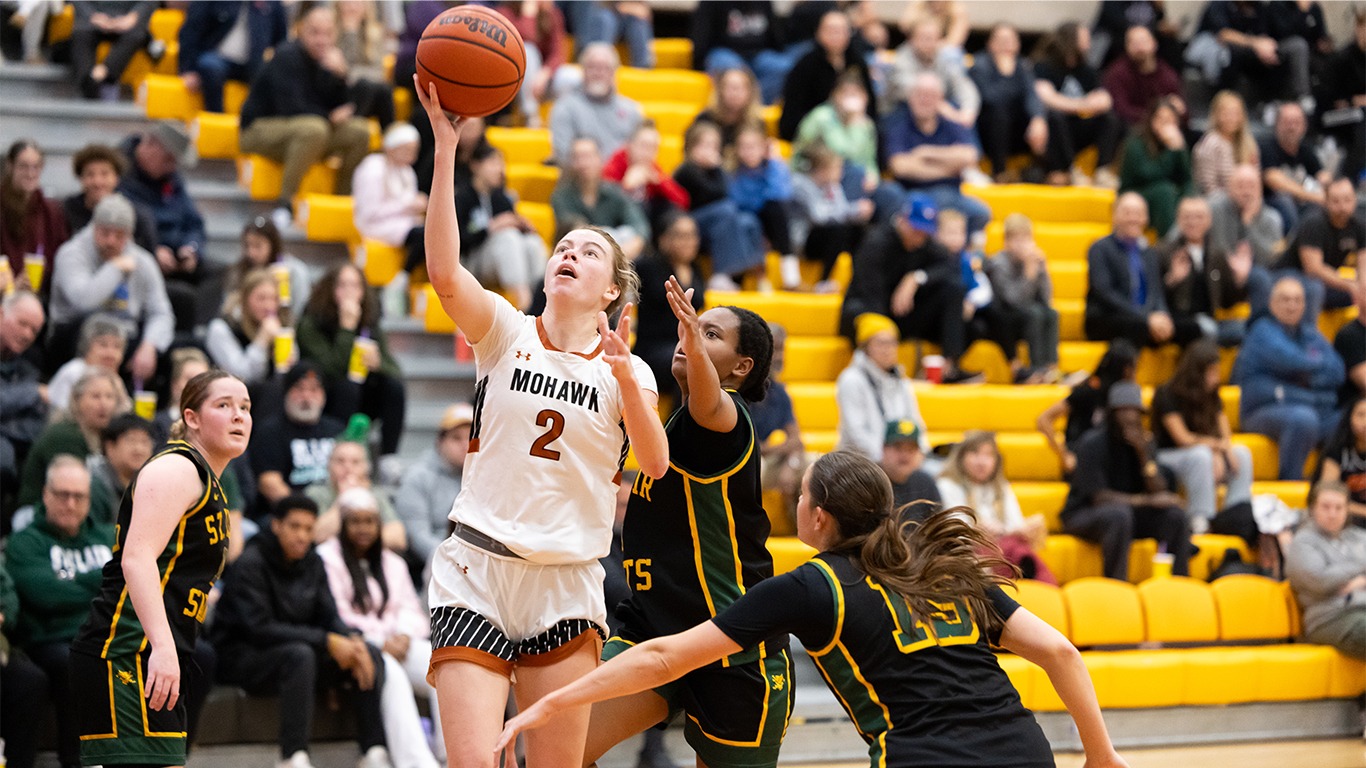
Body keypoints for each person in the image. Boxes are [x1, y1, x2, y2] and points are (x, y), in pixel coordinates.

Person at [497, 451, 1131, 768]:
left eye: (800, 495)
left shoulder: (813, 585)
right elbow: (1059, 652)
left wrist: (557, 702)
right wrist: (1100, 755)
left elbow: (664, 655)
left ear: (817, 516)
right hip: (1025, 750)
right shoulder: (942, 567)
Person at [414, 77, 669, 768]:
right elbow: (443, 271)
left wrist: (624, 380)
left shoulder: (628, 369)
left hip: (565, 580)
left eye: (588, 251)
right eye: (563, 246)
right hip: (478, 565)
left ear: (611, 289)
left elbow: (654, 465)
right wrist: (445, 153)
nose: (568, 253)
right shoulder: (504, 329)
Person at [586, 279, 791, 768]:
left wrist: (693, 344)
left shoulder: (725, 420)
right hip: (654, 627)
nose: (690, 337)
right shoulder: (670, 424)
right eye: (691, 329)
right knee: (559, 749)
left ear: (741, 368)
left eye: (710, 334)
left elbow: (707, 398)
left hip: (733, 646)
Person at [69, 369, 250, 768]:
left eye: (245, 407)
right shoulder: (177, 469)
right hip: (127, 649)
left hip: (154, 651)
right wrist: (164, 648)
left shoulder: (208, 481)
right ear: (192, 418)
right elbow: (137, 557)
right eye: (224, 405)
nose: (239, 415)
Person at [210, 494, 391, 768]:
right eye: (294, 527)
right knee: (300, 655)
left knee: (369, 652)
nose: (302, 536)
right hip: (241, 655)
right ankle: (292, 756)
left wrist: (353, 642)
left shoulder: (313, 562)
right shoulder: (250, 563)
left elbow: (329, 615)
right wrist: (327, 641)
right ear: (276, 526)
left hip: (294, 651)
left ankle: (373, 751)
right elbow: (259, 629)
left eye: (308, 529)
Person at [320, 486, 442, 768]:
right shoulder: (326, 558)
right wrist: (379, 639)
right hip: (360, 644)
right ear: (343, 524)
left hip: (399, 641)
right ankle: (416, 763)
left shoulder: (393, 562)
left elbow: (412, 609)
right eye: (355, 521)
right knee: (391, 673)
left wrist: (402, 635)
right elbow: (336, 613)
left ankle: (454, 755)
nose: (363, 528)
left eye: (370, 521)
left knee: (443, 662)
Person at [7, 456, 116, 768]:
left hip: (107, 636)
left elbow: (129, 587)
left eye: (79, 496)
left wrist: (71, 583)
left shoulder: (108, 537)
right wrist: (102, 580)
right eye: (62, 494)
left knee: (195, 654)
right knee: (76, 661)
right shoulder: (25, 543)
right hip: (50, 641)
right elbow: (44, 595)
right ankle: (76, 762)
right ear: (45, 495)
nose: (70, 503)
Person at [238, 2, 373, 228]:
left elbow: (345, 106)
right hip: (259, 130)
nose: (321, 40)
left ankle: (339, 201)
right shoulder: (286, 55)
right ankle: (284, 204)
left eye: (328, 34)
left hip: (307, 131)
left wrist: (343, 76)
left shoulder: (328, 60)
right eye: (315, 33)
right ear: (301, 30)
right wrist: (330, 117)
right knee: (314, 128)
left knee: (359, 131)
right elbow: (291, 108)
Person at [841, 194, 978, 383]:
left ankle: (950, 368)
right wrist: (885, 331)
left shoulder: (926, 244)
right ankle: (874, 373)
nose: (920, 237)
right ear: (903, 221)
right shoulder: (876, 242)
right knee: (862, 312)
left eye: (925, 232)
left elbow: (950, 268)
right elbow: (870, 291)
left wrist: (916, 278)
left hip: (904, 315)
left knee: (954, 290)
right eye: (916, 230)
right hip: (872, 309)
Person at [1062, 381, 1191, 581]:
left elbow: (1159, 490)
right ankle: (1116, 585)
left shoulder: (1145, 444)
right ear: (1112, 414)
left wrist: (1143, 456)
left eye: (1136, 412)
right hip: (1083, 513)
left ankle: (1179, 584)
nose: (1131, 417)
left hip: (1128, 513)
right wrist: (1147, 501)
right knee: (1119, 516)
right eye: (1124, 411)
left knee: (1175, 516)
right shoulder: (1092, 443)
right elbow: (1099, 498)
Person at [49, 194, 174, 385]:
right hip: (75, 333)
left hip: (124, 335)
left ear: (129, 235)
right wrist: (114, 268)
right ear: (94, 228)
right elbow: (83, 301)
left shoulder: (142, 261)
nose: (110, 241)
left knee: (165, 353)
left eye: (119, 235)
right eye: (104, 233)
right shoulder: (71, 253)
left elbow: (162, 313)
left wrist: (150, 346)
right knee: (92, 329)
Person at [1234, 276, 1345, 481]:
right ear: (1272, 303)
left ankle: (1329, 484)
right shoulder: (1262, 331)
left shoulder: (1310, 333)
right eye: (1285, 300)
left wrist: (1304, 379)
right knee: (1303, 419)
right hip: (1261, 411)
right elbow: (1292, 360)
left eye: (1297, 300)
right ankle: (1291, 483)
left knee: (1346, 420)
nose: (1292, 306)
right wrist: (1317, 386)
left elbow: (1337, 370)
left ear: (1304, 305)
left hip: (1302, 405)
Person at [297, 263, 407, 458]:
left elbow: (395, 370)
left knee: (393, 387)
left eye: (355, 286)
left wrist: (378, 364)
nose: (349, 292)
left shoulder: (369, 322)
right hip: (327, 395)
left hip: (364, 399)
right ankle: (339, 452)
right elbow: (330, 370)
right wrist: (346, 328)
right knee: (347, 387)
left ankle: (389, 457)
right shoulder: (311, 323)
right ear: (329, 290)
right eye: (342, 286)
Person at [118, 121, 213, 333]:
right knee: (182, 295)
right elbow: (123, 225)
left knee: (218, 274)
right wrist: (153, 250)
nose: (173, 167)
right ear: (151, 146)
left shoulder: (172, 178)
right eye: (169, 159)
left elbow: (194, 221)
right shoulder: (119, 172)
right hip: (144, 260)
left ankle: (201, 331)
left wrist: (191, 248)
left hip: (178, 256)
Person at [1152, 340, 1255, 536]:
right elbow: (1182, 438)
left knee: (1242, 453)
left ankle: (1235, 514)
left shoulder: (1213, 395)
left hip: (1202, 452)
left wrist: (1224, 449)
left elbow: (1224, 432)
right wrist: (1216, 448)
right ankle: (1201, 518)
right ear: (1196, 372)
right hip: (1168, 456)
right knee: (1200, 456)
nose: (1216, 378)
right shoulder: (1167, 393)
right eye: (1212, 372)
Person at [937, 431, 1054, 583]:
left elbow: (1015, 523)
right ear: (961, 457)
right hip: (969, 551)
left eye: (988, 455)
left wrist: (1023, 530)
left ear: (996, 460)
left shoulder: (1001, 487)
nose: (981, 462)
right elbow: (955, 530)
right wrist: (979, 531)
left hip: (1003, 548)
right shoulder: (947, 485)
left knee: (1018, 548)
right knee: (1009, 552)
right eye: (975, 453)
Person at [1155, 196, 1271, 348]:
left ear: (1209, 221)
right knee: (1202, 329)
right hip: (1181, 322)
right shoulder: (1163, 252)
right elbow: (1155, 298)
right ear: (1178, 220)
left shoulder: (1217, 254)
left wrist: (1240, 279)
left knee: (1251, 330)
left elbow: (1228, 300)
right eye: (1187, 217)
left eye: (1199, 217)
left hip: (1211, 321)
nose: (1193, 222)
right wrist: (1172, 280)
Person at [1084, 192, 1197, 348]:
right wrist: (1146, 318)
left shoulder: (1149, 253)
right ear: (1114, 216)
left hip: (1144, 318)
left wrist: (1162, 314)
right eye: (1127, 213)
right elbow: (1105, 292)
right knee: (1137, 326)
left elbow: (1155, 292)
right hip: (1108, 317)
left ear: (1146, 218)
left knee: (1192, 328)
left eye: (1138, 214)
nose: (1133, 219)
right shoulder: (1099, 248)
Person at [882, 72, 990, 234]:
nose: (924, 100)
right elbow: (900, 166)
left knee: (981, 213)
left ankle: (960, 255)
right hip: (913, 193)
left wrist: (926, 153)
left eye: (930, 96)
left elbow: (970, 156)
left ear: (940, 100)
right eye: (920, 95)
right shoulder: (899, 124)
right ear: (910, 97)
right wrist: (951, 168)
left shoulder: (950, 123)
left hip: (953, 193)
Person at [17, 369, 128, 511]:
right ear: (77, 400)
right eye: (95, 397)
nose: (104, 404)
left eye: (109, 397)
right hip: (37, 512)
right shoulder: (65, 435)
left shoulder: (109, 437)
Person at [672, 121, 764, 291]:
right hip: (689, 223)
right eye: (704, 145)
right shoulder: (687, 170)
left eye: (713, 146)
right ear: (692, 146)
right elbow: (717, 192)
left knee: (748, 220)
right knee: (727, 210)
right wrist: (718, 168)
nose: (709, 151)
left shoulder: (712, 171)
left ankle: (756, 275)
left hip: (715, 224)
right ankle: (721, 274)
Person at [248, 361, 345, 518]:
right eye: (299, 389)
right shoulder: (269, 431)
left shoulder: (337, 430)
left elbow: (354, 474)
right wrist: (307, 515)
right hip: (287, 514)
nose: (306, 397)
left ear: (323, 396)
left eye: (314, 390)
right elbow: (269, 484)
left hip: (334, 510)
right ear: (286, 393)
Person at [1034, 22, 1124, 188]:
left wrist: (1072, 104)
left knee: (1109, 119)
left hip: (1077, 128)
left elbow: (1105, 100)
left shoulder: (1087, 70)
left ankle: (1102, 171)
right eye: (1084, 36)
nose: (1088, 41)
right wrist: (1084, 104)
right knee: (1055, 116)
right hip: (1054, 133)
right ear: (1070, 39)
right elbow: (1046, 98)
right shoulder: (1044, 66)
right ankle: (1071, 170)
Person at [459, 143, 548, 312]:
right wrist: (492, 227)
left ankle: (541, 300)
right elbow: (459, 241)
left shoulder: (501, 197)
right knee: (506, 237)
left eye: (501, 164)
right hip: (470, 260)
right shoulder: (462, 196)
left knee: (531, 242)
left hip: (498, 261)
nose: (499, 169)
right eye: (493, 163)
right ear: (476, 165)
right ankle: (525, 302)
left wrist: (524, 227)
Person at [1286, 481, 1366, 660]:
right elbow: (1321, 581)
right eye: (1326, 507)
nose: (1332, 514)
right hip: (1331, 618)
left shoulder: (1357, 537)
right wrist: (1360, 567)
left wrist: (1358, 581)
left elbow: (1333, 576)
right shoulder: (1303, 542)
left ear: (1347, 510)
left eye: (1339, 508)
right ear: (1312, 509)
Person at [836, 313, 931, 462]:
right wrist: (887, 458)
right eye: (881, 343)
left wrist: (921, 452)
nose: (888, 349)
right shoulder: (851, 380)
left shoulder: (901, 381)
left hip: (899, 460)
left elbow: (915, 421)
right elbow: (856, 432)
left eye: (892, 343)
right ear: (865, 347)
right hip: (860, 464)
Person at [633, 210, 705, 405]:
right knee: (688, 365)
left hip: (681, 346)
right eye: (681, 235)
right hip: (651, 349)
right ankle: (677, 433)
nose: (689, 241)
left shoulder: (696, 270)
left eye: (692, 235)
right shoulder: (647, 266)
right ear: (664, 239)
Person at [1037, 339, 1140, 476]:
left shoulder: (1125, 397)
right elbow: (1043, 419)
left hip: (1110, 462)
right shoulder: (1089, 391)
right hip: (1084, 462)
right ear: (1126, 370)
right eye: (1135, 368)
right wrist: (1065, 456)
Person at [938, 209, 1019, 380]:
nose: (956, 238)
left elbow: (981, 287)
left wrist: (971, 302)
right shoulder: (936, 258)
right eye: (951, 233)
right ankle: (950, 367)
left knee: (996, 315)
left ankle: (1016, 367)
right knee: (972, 324)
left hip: (965, 312)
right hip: (942, 315)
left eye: (960, 232)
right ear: (937, 234)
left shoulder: (967, 259)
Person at [1272, 177, 1365, 322]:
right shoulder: (1314, 223)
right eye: (1336, 201)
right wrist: (1351, 286)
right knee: (1314, 289)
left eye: (1347, 200)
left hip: (1325, 281)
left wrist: (1362, 286)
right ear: (1326, 201)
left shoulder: (1358, 225)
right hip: (1289, 275)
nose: (1342, 207)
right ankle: (1307, 337)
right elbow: (1313, 269)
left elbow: (1363, 261)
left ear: (1355, 200)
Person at [1189, 0, 1310, 107]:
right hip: (1216, 51)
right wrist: (1255, 44)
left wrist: (1265, 49)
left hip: (1251, 53)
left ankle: (1274, 102)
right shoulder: (1219, 4)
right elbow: (1223, 34)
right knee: (1230, 53)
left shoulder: (1259, 7)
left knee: (1278, 53)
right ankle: (1223, 101)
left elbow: (1263, 35)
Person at [778, 9, 874, 142]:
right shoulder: (805, 66)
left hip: (853, 130)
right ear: (818, 33)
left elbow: (870, 106)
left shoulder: (857, 62)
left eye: (841, 30)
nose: (836, 35)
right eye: (830, 30)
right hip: (815, 134)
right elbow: (791, 117)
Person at [969, 24, 1048, 183]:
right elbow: (990, 99)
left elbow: (1031, 95)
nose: (1007, 45)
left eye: (1011, 40)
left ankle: (1048, 171)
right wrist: (1006, 75)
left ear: (1018, 45)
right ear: (990, 44)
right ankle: (999, 172)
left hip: (1016, 133)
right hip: (987, 132)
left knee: (1048, 116)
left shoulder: (1023, 65)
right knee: (999, 113)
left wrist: (1038, 119)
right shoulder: (980, 65)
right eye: (1002, 40)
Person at [985, 214, 1059, 382]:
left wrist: (1044, 270)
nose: (1022, 245)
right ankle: (1038, 369)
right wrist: (1029, 274)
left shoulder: (1033, 261)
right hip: (1004, 320)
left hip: (1026, 312)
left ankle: (1051, 367)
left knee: (1051, 313)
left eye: (1026, 239)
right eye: (1016, 239)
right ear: (1006, 242)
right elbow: (1013, 301)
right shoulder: (998, 263)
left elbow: (1046, 298)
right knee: (1035, 313)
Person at [178, 0, 288, 114]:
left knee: (269, 82)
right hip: (215, 57)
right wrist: (188, 69)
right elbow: (190, 32)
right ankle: (216, 119)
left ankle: (251, 125)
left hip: (252, 62)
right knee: (211, 68)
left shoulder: (272, 4)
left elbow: (281, 42)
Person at [352, 123, 428, 289]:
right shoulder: (372, 168)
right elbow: (370, 213)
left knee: (436, 233)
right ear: (392, 147)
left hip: (401, 222)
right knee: (424, 235)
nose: (412, 155)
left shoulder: (407, 171)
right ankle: (402, 277)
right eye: (407, 149)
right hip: (375, 225)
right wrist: (408, 205)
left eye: (414, 149)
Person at [394, 403, 471, 565]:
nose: (465, 445)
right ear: (440, 441)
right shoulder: (417, 477)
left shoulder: (486, 478)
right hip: (435, 565)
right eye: (456, 438)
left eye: (471, 437)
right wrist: (454, 562)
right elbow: (418, 537)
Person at [551, 137, 650, 264]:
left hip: (619, 255)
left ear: (600, 159)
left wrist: (631, 247)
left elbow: (639, 224)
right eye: (578, 158)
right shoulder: (561, 197)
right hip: (577, 256)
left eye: (588, 156)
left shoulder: (615, 192)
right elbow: (574, 228)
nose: (584, 163)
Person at [791, 143, 875, 292]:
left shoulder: (833, 186)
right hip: (804, 241)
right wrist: (855, 209)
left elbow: (841, 210)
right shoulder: (801, 184)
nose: (841, 172)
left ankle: (856, 282)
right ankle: (824, 281)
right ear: (823, 170)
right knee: (838, 230)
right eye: (837, 168)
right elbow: (819, 216)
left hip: (826, 237)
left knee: (858, 231)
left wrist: (858, 212)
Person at [749, 323, 808, 525]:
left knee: (816, 468)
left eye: (783, 349)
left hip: (769, 459)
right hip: (744, 465)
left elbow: (797, 440)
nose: (780, 356)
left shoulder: (779, 391)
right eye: (775, 350)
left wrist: (791, 464)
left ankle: (805, 532)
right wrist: (779, 449)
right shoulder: (741, 389)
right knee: (756, 467)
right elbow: (746, 448)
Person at [548, 43, 643, 164]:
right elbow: (564, 155)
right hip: (581, 179)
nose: (598, 73)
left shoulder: (632, 110)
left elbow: (640, 153)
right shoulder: (565, 108)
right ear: (582, 70)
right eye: (592, 67)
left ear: (614, 72)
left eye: (605, 68)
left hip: (623, 178)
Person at [305, 440, 407, 552]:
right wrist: (345, 499)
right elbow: (314, 536)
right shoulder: (316, 492)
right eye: (340, 461)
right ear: (329, 465)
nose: (348, 467)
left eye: (355, 462)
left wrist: (357, 541)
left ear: (366, 468)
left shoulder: (374, 493)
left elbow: (398, 538)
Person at [729, 123, 796, 288]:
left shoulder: (774, 167)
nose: (748, 152)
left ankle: (791, 275)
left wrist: (773, 162)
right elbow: (738, 201)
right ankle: (756, 277)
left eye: (752, 147)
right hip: (747, 220)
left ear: (763, 148)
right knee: (747, 222)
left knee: (775, 209)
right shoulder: (733, 171)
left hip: (772, 222)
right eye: (743, 147)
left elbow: (781, 194)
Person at [690, 0, 794, 104]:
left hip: (757, 54)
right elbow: (701, 38)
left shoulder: (763, 2)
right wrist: (700, 66)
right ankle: (738, 112)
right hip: (724, 52)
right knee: (735, 73)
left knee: (785, 67)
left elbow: (775, 36)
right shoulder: (711, 2)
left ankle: (756, 109)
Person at [61, 143, 158, 255]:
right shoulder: (66, 211)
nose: (97, 182)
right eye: (90, 174)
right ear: (80, 178)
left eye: (105, 174)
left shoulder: (138, 216)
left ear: (117, 178)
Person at [885, 15, 980, 127]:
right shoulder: (902, 59)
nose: (928, 42)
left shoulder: (944, 57)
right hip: (902, 111)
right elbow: (915, 91)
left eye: (932, 38)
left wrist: (968, 111)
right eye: (924, 37)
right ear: (912, 39)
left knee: (964, 126)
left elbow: (963, 85)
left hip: (939, 113)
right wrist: (944, 108)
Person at [206, 268, 291, 390]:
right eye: (261, 298)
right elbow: (242, 377)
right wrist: (262, 341)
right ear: (245, 299)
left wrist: (288, 360)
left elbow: (282, 379)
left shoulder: (278, 326)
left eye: (274, 299)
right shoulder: (220, 328)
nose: (269, 306)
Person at [1118, 97, 1192, 236]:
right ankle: (1169, 242)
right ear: (1151, 120)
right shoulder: (1135, 144)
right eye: (1160, 118)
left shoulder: (1177, 144)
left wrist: (1189, 199)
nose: (1165, 123)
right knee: (1165, 191)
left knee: (1190, 198)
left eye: (1170, 119)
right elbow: (1148, 175)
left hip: (1165, 197)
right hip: (1135, 194)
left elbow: (1187, 178)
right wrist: (1171, 150)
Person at [0, 290, 47, 506]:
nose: (27, 334)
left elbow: (37, 426)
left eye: (34, 330)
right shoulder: (33, 385)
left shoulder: (30, 368)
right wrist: (33, 392)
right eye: (22, 323)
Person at [602, 120, 690, 233]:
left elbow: (683, 201)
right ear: (630, 145)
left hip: (647, 223)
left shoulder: (652, 168)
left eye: (653, 148)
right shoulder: (614, 165)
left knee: (670, 210)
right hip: (617, 224)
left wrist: (659, 183)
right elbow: (603, 204)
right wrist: (625, 186)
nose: (648, 153)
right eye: (644, 146)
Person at [2, 139, 68, 288]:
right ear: (10, 166)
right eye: (23, 166)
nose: (30, 173)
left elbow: (60, 257)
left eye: (36, 167)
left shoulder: (51, 211)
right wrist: (13, 285)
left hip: (40, 293)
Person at [492, 0, 568, 128]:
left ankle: (563, 121)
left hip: (542, 81)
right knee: (528, 51)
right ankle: (530, 114)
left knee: (572, 78)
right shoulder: (505, 13)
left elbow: (558, 53)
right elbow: (525, 40)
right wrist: (529, 14)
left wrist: (545, 73)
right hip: (512, 80)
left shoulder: (553, 14)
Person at [1260, 101, 1331, 233]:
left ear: (1304, 126)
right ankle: (1295, 247)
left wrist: (1327, 187)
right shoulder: (1267, 147)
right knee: (1285, 202)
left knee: (1323, 207)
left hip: (1303, 203)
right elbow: (1273, 180)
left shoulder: (1306, 149)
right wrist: (1312, 196)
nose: (1291, 127)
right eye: (1287, 122)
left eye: (1296, 122)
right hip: (1271, 204)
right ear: (1277, 125)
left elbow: (1322, 175)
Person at [225, 216, 314, 315]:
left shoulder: (295, 271)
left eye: (258, 246)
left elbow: (298, 311)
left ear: (273, 245)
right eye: (248, 245)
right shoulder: (239, 270)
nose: (251, 252)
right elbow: (229, 309)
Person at [69, 1, 154, 100]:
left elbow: (148, 2)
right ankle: (87, 81)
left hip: (128, 22)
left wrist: (132, 17)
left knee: (137, 36)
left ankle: (101, 74)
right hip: (94, 20)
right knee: (80, 34)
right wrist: (93, 16)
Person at [1103, 25, 1184, 128]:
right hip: (1131, 129)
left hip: (1164, 129)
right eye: (1133, 43)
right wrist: (1156, 117)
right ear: (1126, 47)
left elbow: (1182, 111)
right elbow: (1120, 110)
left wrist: (1179, 110)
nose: (1139, 47)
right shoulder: (1117, 73)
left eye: (1143, 41)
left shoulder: (1167, 74)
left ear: (1154, 44)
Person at [1207, 164, 1284, 269]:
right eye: (1240, 186)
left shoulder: (1272, 218)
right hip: (1219, 267)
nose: (1246, 192)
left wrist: (1248, 224)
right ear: (1229, 188)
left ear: (1260, 189)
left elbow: (1271, 258)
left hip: (1256, 269)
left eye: (1251, 186)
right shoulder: (1213, 209)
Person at [334, 0, 395, 127]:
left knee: (382, 90)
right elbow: (333, 70)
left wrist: (349, 73)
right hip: (339, 91)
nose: (352, 7)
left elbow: (378, 73)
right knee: (365, 86)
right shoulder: (331, 32)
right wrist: (350, 33)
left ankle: (390, 137)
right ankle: (349, 129)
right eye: (347, 3)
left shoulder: (375, 33)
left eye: (357, 2)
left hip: (367, 92)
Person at [87, 413, 156, 526]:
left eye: (144, 442)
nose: (139, 449)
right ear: (110, 447)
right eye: (131, 440)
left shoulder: (150, 482)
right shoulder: (95, 483)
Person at [1191, 90, 1259, 195]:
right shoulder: (1210, 144)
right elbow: (1208, 186)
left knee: (1271, 211)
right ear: (1216, 115)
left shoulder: (1249, 143)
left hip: (1247, 197)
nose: (1231, 118)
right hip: (1218, 199)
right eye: (1226, 113)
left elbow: (1256, 179)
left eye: (1236, 113)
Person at [692, 67, 766, 152]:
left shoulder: (756, 123)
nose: (735, 93)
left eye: (740, 88)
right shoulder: (705, 120)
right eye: (730, 87)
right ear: (720, 91)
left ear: (750, 93)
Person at [1318, 395, 1366, 526]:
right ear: (1349, 418)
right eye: (1360, 415)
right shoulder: (1337, 451)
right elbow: (1326, 495)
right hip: (1343, 517)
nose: (1365, 422)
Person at [565, 0, 653, 71]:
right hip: (593, 20)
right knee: (605, 19)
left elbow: (643, 10)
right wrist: (620, 7)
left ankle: (643, 69)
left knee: (638, 23)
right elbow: (596, 5)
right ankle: (595, 65)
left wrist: (633, 9)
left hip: (621, 21)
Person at [879, 419, 941, 514]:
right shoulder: (871, 481)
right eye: (898, 448)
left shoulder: (925, 483)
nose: (905, 455)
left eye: (911, 449)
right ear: (884, 449)